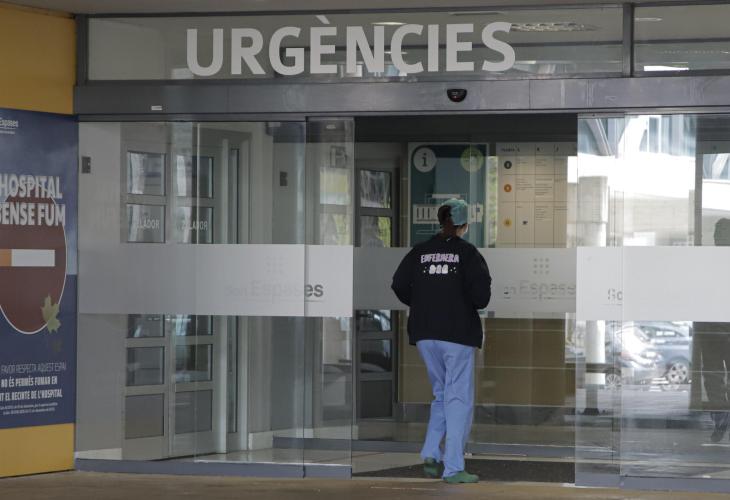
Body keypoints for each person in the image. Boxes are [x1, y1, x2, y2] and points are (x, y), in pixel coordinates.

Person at [391, 198, 492, 484]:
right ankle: (453, 468)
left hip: (425, 333)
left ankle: (431, 454)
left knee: (442, 394)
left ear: (440, 222)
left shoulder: (420, 252)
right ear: (464, 225)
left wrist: (423, 303)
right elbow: (481, 297)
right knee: (458, 398)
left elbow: (399, 284)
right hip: (457, 334)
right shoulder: (468, 254)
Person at [695, 218, 730, 442]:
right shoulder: (706, 263)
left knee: (713, 377)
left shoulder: (705, 263)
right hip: (713, 329)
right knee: (713, 377)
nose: (718, 238)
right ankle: (721, 417)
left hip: (711, 330)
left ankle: (720, 417)